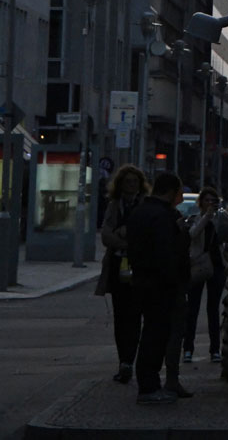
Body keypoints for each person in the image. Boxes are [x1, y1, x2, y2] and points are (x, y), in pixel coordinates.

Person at [126, 171, 191, 405]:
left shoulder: (140, 212)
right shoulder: (163, 216)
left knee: (149, 333)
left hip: (142, 279)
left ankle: (148, 383)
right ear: (171, 192)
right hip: (160, 284)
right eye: (178, 193)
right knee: (157, 335)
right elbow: (167, 253)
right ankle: (149, 386)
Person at [95, 163, 149, 385]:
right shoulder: (114, 205)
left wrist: (126, 235)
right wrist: (123, 241)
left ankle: (129, 360)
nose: (131, 185)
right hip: (118, 264)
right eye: (127, 182)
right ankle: (123, 361)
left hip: (138, 265)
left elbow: (145, 235)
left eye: (135, 182)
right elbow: (106, 235)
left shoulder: (144, 205)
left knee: (134, 314)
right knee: (120, 315)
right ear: (120, 184)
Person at [183, 187, 225, 364]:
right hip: (198, 265)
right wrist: (206, 216)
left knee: (213, 309)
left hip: (216, 267)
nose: (209, 204)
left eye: (212, 201)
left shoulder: (220, 219)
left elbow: (227, 234)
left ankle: (215, 349)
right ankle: (188, 348)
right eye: (206, 200)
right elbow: (193, 234)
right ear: (200, 203)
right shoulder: (195, 219)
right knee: (192, 308)